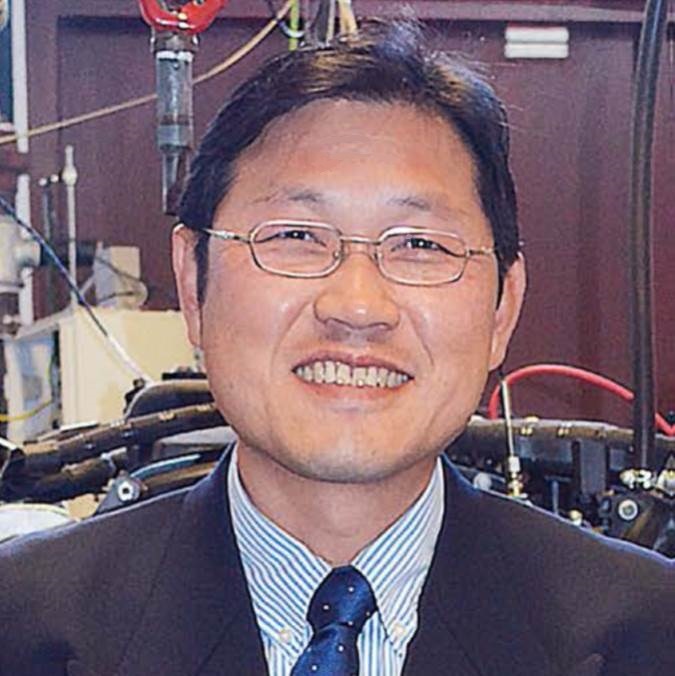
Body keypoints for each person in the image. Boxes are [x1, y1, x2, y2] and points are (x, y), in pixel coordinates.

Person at [0, 20, 672, 676]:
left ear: (503, 306)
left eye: (420, 245)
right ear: (192, 284)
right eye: (295, 236)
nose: (356, 306)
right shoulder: (21, 622)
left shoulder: (650, 631)